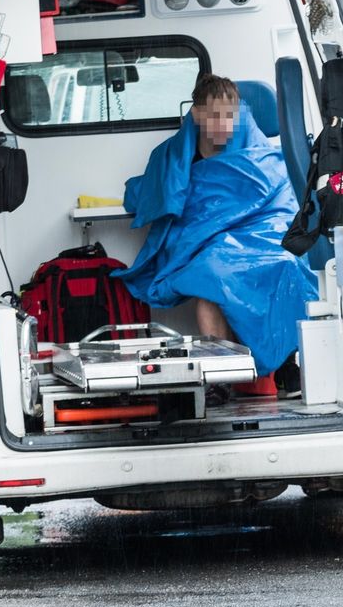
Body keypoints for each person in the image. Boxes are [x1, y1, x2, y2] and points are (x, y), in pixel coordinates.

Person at [114, 74, 315, 402]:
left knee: (286, 263)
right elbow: (148, 190)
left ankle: (287, 365)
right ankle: (219, 374)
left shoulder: (256, 148)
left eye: (230, 115)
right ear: (197, 114)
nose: (224, 124)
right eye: (215, 115)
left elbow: (280, 195)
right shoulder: (177, 156)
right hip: (210, 242)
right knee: (208, 274)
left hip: (261, 234)